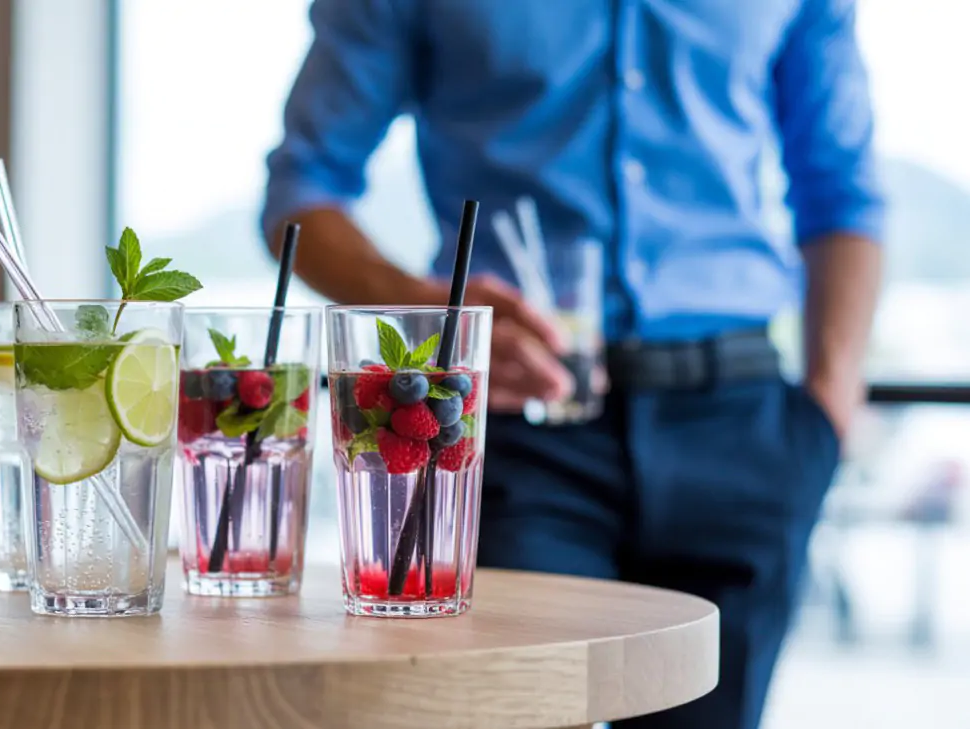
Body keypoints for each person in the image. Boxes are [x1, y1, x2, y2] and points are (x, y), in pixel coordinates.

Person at [260, 1, 884, 728]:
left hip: (743, 430)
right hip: (517, 438)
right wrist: (425, 307)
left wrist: (826, 411)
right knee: (514, 710)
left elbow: (842, 190)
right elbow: (300, 193)